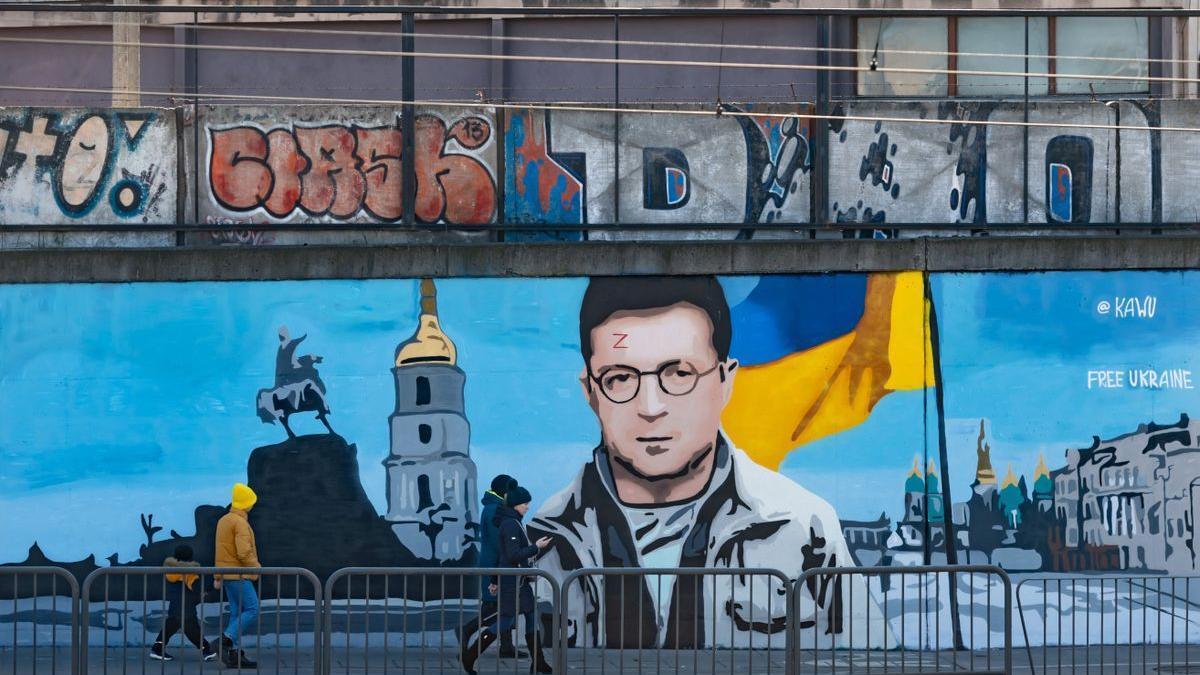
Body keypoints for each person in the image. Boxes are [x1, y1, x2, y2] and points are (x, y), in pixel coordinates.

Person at [527, 276, 870, 649]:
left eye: (679, 374)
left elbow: (874, 656)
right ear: (591, 391)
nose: (651, 408)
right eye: (621, 378)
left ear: (725, 381)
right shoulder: (548, 538)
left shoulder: (802, 528)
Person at [461, 487, 553, 675]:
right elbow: (512, 555)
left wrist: (494, 580)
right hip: (513, 583)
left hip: (519, 581)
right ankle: (469, 657)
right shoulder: (510, 524)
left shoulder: (513, 522)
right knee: (504, 621)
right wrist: (536, 547)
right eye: (525, 503)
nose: (528, 507)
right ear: (515, 504)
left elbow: (500, 556)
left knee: (530, 616)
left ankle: (539, 662)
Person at [458, 474, 526, 659]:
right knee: (493, 607)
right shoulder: (496, 509)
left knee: (504, 605)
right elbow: (501, 541)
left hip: (497, 562)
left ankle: (506, 646)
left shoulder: (493, 507)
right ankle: (467, 630)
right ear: (504, 492)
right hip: (497, 564)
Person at [214, 483, 261, 669]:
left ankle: (233, 656)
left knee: (236, 613)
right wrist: (256, 568)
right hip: (238, 574)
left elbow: (222, 550)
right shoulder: (240, 522)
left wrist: (218, 575)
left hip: (227, 574)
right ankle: (224, 641)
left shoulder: (224, 520)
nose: (253, 505)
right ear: (246, 503)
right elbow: (244, 552)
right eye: (251, 502)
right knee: (252, 609)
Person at [148, 545, 218, 662]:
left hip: (175, 606)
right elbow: (197, 588)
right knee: (192, 631)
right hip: (186, 608)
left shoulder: (172, 570)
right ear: (190, 557)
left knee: (169, 629)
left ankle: (157, 649)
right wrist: (211, 587)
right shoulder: (189, 572)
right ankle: (206, 650)